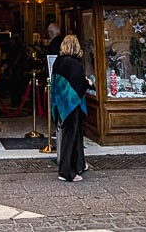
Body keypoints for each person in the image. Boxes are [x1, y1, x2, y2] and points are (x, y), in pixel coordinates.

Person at [51, 35, 88, 182]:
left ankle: (79, 164)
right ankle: (66, 172)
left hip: (61, 103)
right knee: (71, 136)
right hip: (72, 104)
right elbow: (78, 84)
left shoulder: (58, 62)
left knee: (71, 134)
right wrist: (89, 84)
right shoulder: (74, 64)